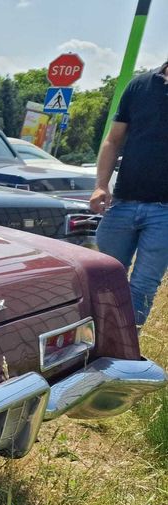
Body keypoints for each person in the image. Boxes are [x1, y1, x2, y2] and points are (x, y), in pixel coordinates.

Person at [90, 59, 168, 327]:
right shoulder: (139, 86)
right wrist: (101, 184)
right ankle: (91, 341)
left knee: (143, 286)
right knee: (102, 275)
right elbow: (113, 140)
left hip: (165, 213)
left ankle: (124, 349)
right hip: (123, 203)